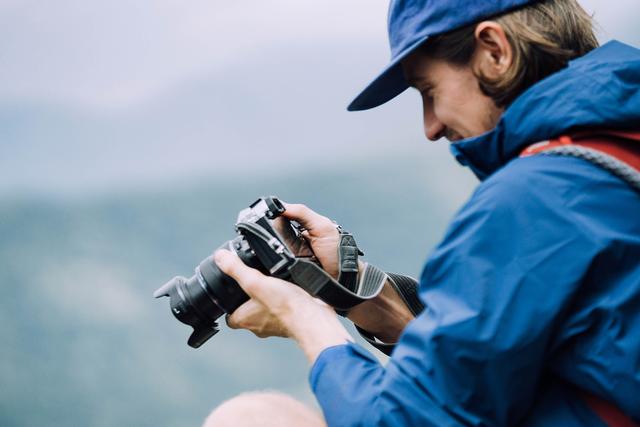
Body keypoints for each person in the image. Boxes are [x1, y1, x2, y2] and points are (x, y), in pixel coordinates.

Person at [209, 0, 640, 425]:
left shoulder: (535, 200)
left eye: (429, 92)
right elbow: (495, 370)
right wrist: (358, 291)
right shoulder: (614, 153)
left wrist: (304, 318)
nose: (430, 127)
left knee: (250, 418)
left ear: (495, 50)